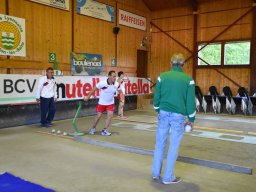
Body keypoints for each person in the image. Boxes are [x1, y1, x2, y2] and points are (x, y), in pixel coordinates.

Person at [152, 53, 196, 184]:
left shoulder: (162, 77)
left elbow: (156, 99)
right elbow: (190, 102)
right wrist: (191, 119)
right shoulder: (188, 80)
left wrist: (158, 110)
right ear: (183, 64)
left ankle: (155, 173)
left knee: (160, 144)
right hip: (178, 116)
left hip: (163, 114)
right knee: (173, 146)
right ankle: (168, 177)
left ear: (171, 64)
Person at [84, 70, 122, 136]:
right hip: (102, 103)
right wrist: (88, 97)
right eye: (113, 76)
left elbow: (120, 91)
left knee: (110, 115)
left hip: (110, 103)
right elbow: (93, 89)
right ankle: (93, 128)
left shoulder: (116, 84)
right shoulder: (102, 83)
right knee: (98, 116)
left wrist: (121, 98)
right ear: (109, 76)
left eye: (115, 76)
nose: (114, 78)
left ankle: (104, 130)